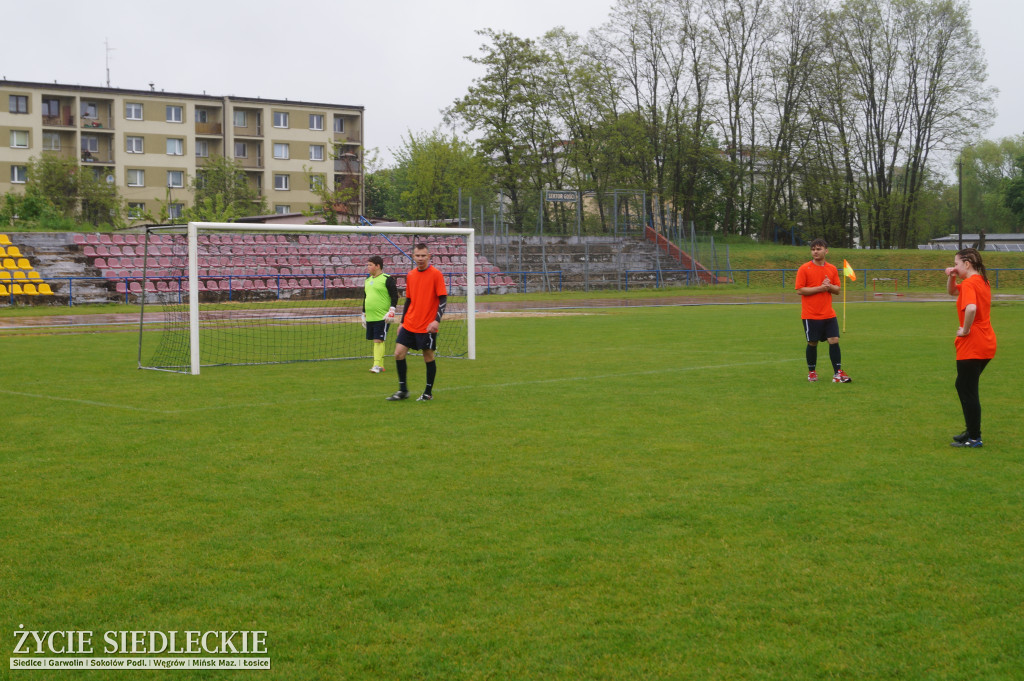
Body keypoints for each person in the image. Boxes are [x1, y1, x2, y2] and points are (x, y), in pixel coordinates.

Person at [945, 248, 997, 448]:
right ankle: (971, 430)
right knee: (963, 385)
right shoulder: (982, 281)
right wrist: (952, 276)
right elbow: (951, 291)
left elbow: (972, 308)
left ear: (967, 264)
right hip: (986, 342)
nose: (955, 267)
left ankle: (975, 437)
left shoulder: (969, 284)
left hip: (973, 344)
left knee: (968, 389)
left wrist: (965, 330)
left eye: (957, 264)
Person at [386, 242, 447, 402]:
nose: (420, 258)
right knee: (398, 353)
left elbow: (443, 299)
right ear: (413, 257)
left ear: (429, 256)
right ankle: (403, 390)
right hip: (410, 323)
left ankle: (428, 393)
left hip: (427, 325)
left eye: (423, 255)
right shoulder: (411, 275)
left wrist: (436, 321)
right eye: (417, 256)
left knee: (428, 356)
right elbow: (409, 300)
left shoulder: (436, 274)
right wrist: (402, 321)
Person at [795, 238, 852, 383]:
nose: (815, 252)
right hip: (811, 315)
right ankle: (812, 372)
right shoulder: (804, 268)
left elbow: (837, 289)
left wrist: (829, 286)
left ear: (826, 251)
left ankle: (837, 373)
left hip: (828, 314)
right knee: (812, 343)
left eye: (818, 249)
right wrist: (820, 288)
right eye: (813, 249)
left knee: (834, 340)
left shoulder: (832, 269)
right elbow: (800, 290)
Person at [362, 255, 399, 373]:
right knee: (376, 339)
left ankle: (376, 365)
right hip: (371, 316)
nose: (367, 267)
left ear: (378, 266)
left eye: (370, 265)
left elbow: (394, 295)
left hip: (382, 316)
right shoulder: (367, 281)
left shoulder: (387, 279)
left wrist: (392, 310)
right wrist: (363, 313)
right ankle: (381, 365)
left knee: (378, 340)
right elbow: (366, 298)